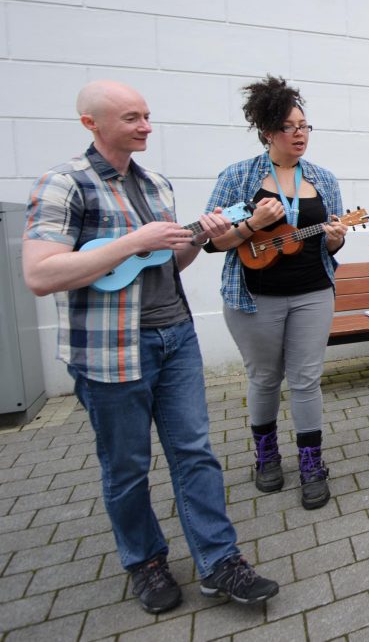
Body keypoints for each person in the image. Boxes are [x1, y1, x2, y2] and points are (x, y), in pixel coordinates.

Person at [22, 81, 278, 614]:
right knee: (126, 465)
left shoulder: (158, 184)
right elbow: (41, 274)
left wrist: (201, 239)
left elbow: (166, 264)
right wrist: (134, 240)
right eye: (132, 117)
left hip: (175, 336)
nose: (146, 126)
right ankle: (145, 562)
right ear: (92, 123)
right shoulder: (64, 183)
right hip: (109, 347)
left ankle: (218, 560)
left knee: (195, 454)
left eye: (146, 115)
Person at [205, 76, 347, 510]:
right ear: (268, 132)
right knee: (265, 377)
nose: (300, 134)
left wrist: (336, 236)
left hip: (313, 293)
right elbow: (211, 241)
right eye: (290, 127)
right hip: (255, 297)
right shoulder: (239, 177)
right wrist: (251, 225)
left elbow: (332, 244)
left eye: (305, 125)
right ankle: (265, 455)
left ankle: (311, 463)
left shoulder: (322, 179)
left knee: (306, 379)